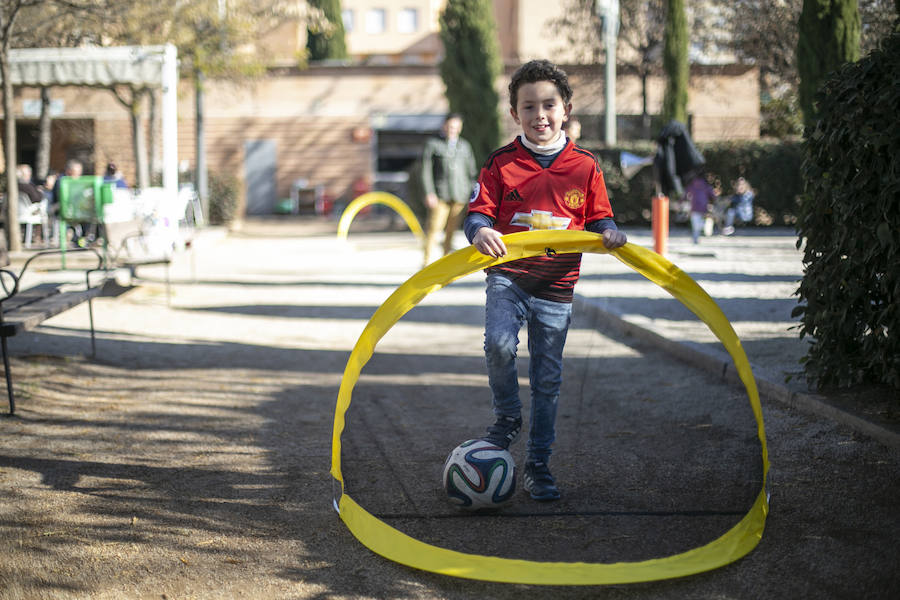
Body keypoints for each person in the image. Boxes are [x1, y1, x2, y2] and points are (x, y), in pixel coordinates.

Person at [464, 59, 627, 501]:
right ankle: (507, 419)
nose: (540, 115)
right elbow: (477, 213)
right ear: (515, 114)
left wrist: (609, 232)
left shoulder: (585, 166)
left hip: (556, 287)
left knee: (548, 380)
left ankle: (538, 465)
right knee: (498, 344)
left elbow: (599, 217)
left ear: (566, 109)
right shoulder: (501, 163)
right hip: (509, 277)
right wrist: (480, 230)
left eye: (549, 105)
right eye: (529, 106)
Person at [420, 113, 477, 266]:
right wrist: (429, 192)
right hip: (440, 195)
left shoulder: (465, 146)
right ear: (444, 126)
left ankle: (445, 263)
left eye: (456, 127)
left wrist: (471, 194)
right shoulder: (433, 144)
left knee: (451, 231)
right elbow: (425, 170)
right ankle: (426, 262)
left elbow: (471, 172)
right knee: (434, 228)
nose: (453, 130)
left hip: (459, 195)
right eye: (450, 126)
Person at [684, 170, 718, 244]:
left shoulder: (691, 185)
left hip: (694, 208)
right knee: (702, 222)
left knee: (695, 226)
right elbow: (713, 196)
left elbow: (685, 196)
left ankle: (695, 239)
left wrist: (681, 202)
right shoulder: (706, 186)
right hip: (704, 208)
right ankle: (707, 225)